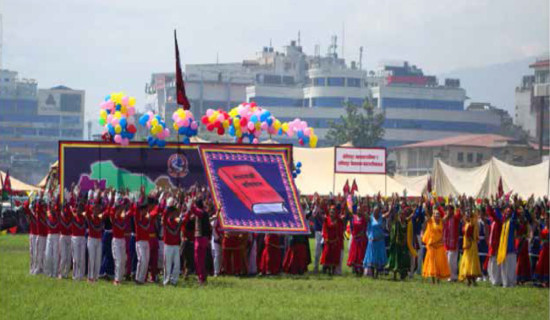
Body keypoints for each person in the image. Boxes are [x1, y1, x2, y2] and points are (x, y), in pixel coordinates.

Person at [422, 207, 451, 283]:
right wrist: (426, 209)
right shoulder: (431, 221)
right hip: (432, 245)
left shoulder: (441, 221)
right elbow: (427, 215)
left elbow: (447, 215)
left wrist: (442, 206)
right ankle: (433, 280)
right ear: (433, 215)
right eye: (436, 214)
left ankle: (438, 279)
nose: (437, 215)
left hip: (440, 245)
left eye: (438, 214)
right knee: (432, 263)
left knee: (439, 262)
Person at [162, 198, 184, 286]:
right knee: (167, 264)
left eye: (175, 212)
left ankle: (174, 280)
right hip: (168, 245)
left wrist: (179, 209)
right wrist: (168, 207)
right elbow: (164, 215)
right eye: (173, 212)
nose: (174, 214)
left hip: (175, 245)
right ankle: (166, 280)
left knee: (177, 264)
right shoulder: (166, 221)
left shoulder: (177, 220)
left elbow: (182, 220)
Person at [386, 207, 411, 280]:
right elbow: (394, 232)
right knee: (396, 259)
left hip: (404, 244)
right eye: (401, 214)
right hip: (397, 244)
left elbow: (406, 232)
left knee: (403, 260)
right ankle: (394, 276)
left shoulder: (406, 222)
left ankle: (402, 275)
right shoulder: (397, 223)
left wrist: (405, 240)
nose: (402, 216)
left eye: (403, 214)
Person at [363, 205, 388, 278]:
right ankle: (373, 274)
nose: (375, 212)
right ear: (372, 211)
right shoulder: (370, 219)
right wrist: (364, 204)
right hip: (372, 241)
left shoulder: (381, 218)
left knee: (378, 257)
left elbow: (388, 213)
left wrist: (392, 205)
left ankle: (377, 273)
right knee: (372, 257)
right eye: (374, 211)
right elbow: (365, 215)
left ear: (379, 211)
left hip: (380, 241)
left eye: (377, 211)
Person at [458, 210, 482, 286]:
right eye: (466, 215)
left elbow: (471, 228)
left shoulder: (472, 224)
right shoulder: (466, 224)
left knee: (471, 263)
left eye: (469, 215)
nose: (467, 216)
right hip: (466, 246)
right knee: (466, 263)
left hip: (471, 246)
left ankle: (472, 281)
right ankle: (469, 281)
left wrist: (472, 209)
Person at [86, 195, 106, 283]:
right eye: (95, 209)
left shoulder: (100, 218)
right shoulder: (90, 217)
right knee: (92, 258)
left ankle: (96, 277)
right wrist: (90, 200)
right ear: (93, 209)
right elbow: (87, 211)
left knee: (98, 259)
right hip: (91, 239)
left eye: (98, 209)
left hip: (99, 239)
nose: (97, 210)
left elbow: (107, 210)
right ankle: (90, 277)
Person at [110, 196, 129, 285]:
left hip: (122, 240)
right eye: (120, 208)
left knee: (123, 259)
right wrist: (115, 202)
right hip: (116, 241)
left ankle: (120, 278)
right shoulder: (114, 218)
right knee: (118, 259)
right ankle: (116, 279)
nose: (121, 209)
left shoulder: (122, 218)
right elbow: (111, 211)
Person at [134, 197, 153, 285]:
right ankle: (138, 278)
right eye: (144, 210)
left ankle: (142, 279)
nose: (145, 211)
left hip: (146, 241)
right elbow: (137, 209)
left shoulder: (146, 218)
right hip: (140, 242)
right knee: (142, 260)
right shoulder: (138, 218)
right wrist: (141, 198)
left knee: (146, 260)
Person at [484, 199, 503, 286]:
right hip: (491, 246)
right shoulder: (493, 222)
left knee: (495, 264)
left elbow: (492, 214)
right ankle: (492, 279)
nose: (494, 213)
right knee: (491, 263)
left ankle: (496, 280)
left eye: (496, 212)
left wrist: (488, 205)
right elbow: (489, 216)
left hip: (496, 246)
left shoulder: (499, 222)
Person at [320, 205, 342, 275]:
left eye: (333, 212)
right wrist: (326, 238)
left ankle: (333, 270)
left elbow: (340, 230)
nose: (332, 213)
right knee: (327, 255)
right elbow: (324, 229)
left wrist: (337, 238)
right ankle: (326, 269)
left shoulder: (338, 220)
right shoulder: (326, 220)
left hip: (335, 241)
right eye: (331, 212)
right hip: (328, 241)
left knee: (334, 256)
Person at [347, 205, 367, 275]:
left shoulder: (364, 218)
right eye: (358, 210)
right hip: (355, 238)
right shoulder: (353, 218)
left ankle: (361, 269)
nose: (359, 211)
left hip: (361, 239)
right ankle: (355, 269)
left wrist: (361, 234)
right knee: (354, 254)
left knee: (361, 254)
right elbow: (352, 227)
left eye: (360, 210)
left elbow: (365, 228)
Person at [442, 204, 461, 282]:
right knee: (447, 260)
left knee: (452, 261)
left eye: (450, 210)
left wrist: (459, 206)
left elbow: (459, 213)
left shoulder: (455, 218)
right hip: (446, 243)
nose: (448, 212)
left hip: (453, 243)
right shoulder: (445, 218)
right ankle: (449, 275)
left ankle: (453, 276)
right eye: (447, 210)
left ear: (453, 211)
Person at [71, 198, 87, 281]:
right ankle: (75, 275)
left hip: (82, 238)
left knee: (81, 257)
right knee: (76, 257)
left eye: (81, 208)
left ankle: (80, 275)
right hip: (75, 238)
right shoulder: (74, 217)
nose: (80, 209)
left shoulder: (83, 217)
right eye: (78, 208)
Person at [44, 199, 60, 278]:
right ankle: (49, 272)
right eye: (52, 205)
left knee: (55, 255)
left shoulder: (57, 215)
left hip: (56, 235)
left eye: (54, 205)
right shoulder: (48, 214)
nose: (53, 207)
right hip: (49, 235)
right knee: (48, 254)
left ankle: (55, 272)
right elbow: (47, 221)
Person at [58, 200, 73, 279]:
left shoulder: (69, 215)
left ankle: (66, 273)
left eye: (66, 207)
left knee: (68, 256)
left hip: (69, 236)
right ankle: (60, 272)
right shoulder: (60, 216)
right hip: (63, 236)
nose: (65, 209)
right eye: (64, 207)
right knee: (63, 256)